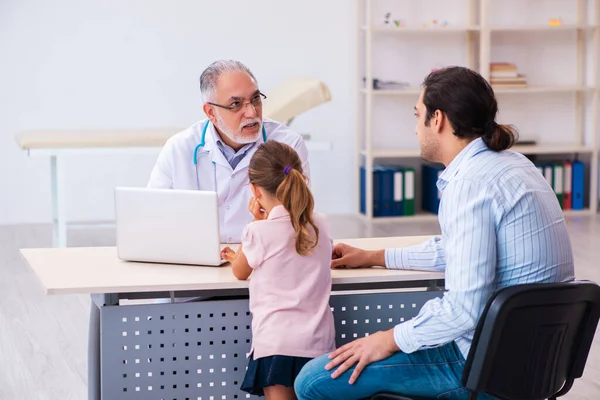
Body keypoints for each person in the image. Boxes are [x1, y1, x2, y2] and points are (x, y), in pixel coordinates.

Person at [293, 66, 575, 400]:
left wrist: (386, 339)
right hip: (542, 363)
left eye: (418, 116)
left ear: (437, 119)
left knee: (312, 381)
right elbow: (460, 249)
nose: (415, 129)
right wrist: (374, 257)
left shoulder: (469, 184)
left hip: (485, 370)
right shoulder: (516, 165)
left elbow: (463, 311)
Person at [147, 59, 310, 243]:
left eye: (255, 99)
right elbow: (153, 220)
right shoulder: (178, 149)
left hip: (265, 259)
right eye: (236, 104)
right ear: (210, 112)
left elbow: (299, 222)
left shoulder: (289, 145)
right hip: (194, 260)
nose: (251, 113)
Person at [220, 141, 335, 400]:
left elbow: (239, 271)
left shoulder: (257, 232)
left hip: (277, 345)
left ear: (254, 190)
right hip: (318, 343)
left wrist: (256, 222)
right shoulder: (322, 224)